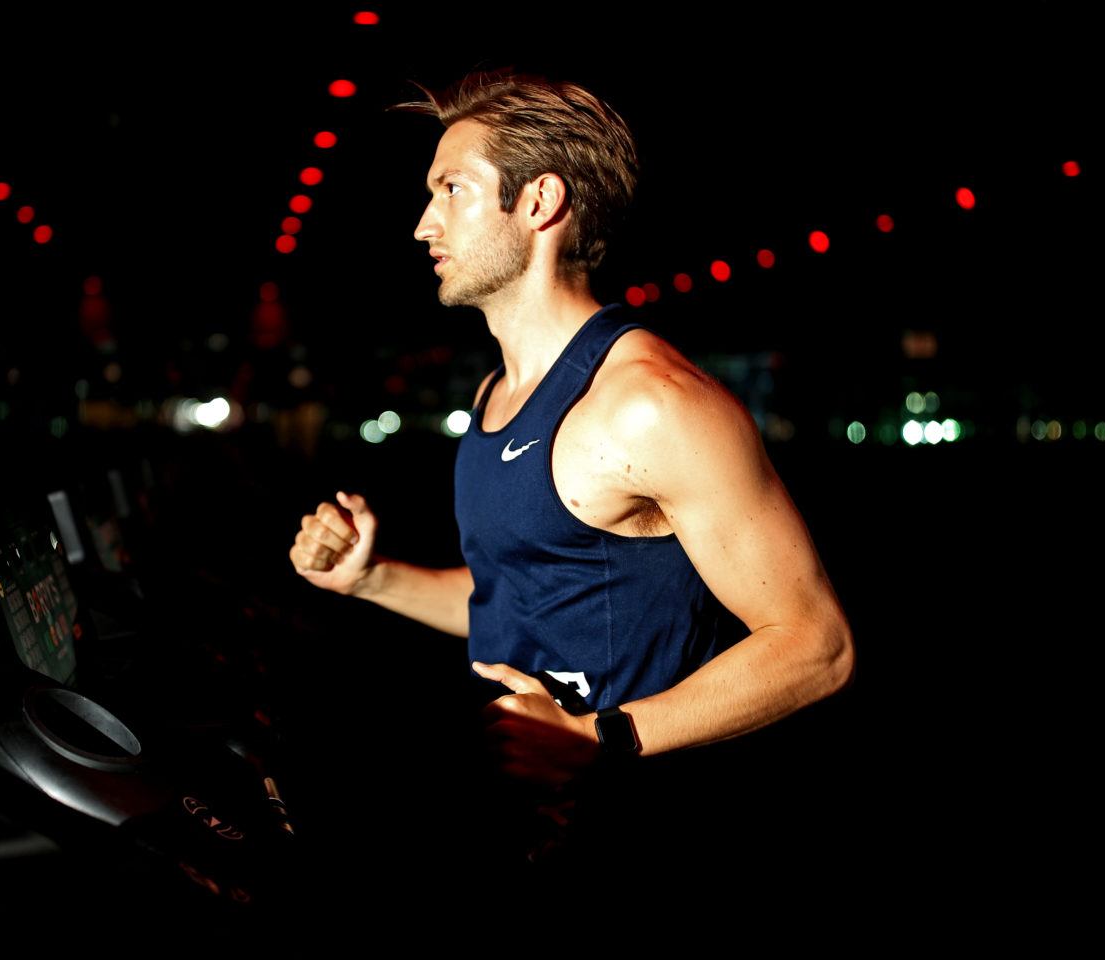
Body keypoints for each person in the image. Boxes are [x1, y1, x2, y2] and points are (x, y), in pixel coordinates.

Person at [288, 69, 855, 884]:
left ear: (540, 201)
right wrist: (371, 578)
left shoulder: (648, 404)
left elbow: (816, 645)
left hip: (633, 840)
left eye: (452, 189)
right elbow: (512, 595)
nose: (422, 225)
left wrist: (596, 739)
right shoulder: (495, 397)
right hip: (517, 829)